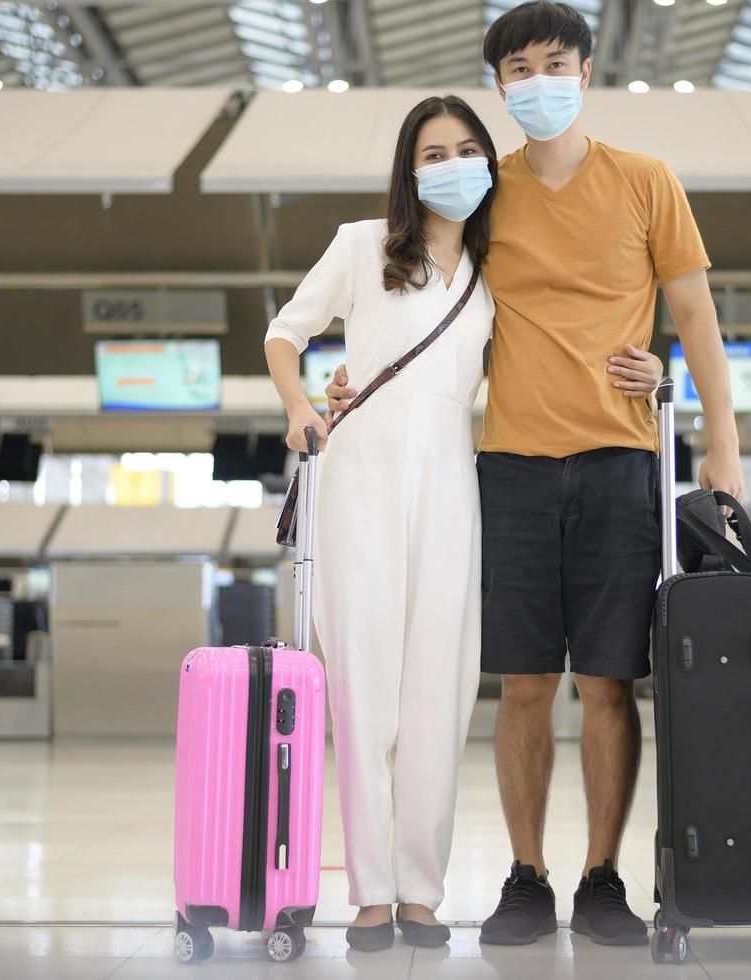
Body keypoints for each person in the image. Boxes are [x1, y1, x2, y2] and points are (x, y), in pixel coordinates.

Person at [329, 0, 745, 950]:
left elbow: (695, 315)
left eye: (554, 63)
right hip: (509, 467)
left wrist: (717, 437)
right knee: (523, 685)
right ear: (501, 88)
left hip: (617, 464)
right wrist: (351, 373)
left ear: (587, 72)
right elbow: (415, 292)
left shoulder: (647, 182)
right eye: (518, 70)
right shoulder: (482, 195)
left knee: (607, 682)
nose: (538, 82)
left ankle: (602, 878)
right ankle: (526, 877)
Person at [264, 95, 665, 953]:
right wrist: (303, 404)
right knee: (364, 690)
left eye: (467, 151)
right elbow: (283, 333)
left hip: (455, 482)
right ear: (409, 171)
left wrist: (651, 365)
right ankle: (371, 895)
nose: (453, 167)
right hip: (360, 477)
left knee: (438, 696)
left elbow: (567, 339)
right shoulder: (360, 243)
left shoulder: (495, 272)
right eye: (433, 153)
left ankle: (421, 892)